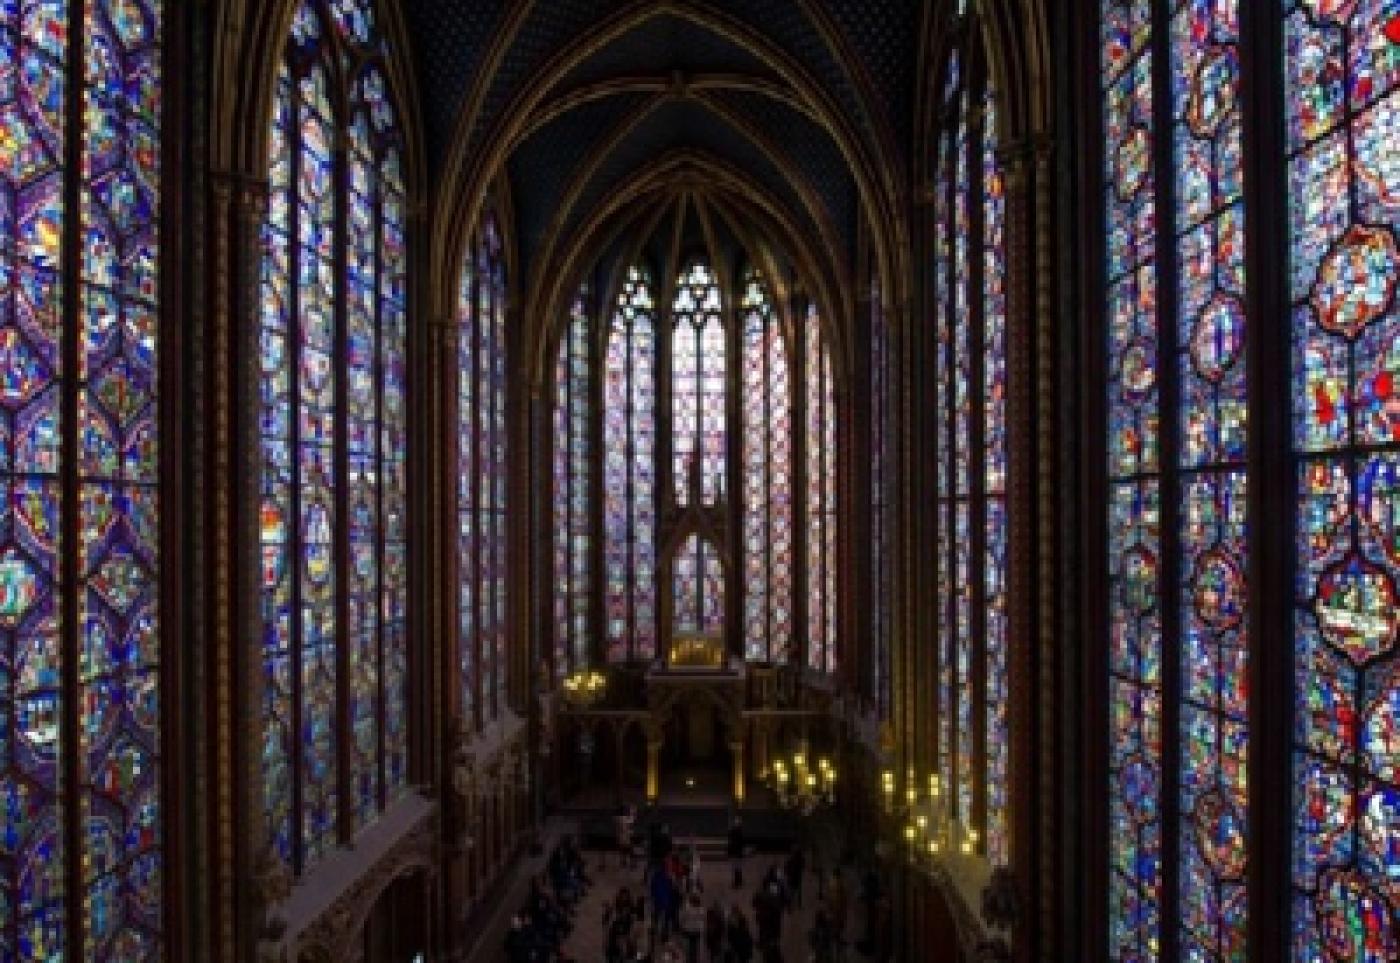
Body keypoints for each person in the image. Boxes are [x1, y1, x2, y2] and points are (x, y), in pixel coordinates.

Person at [680, 891, 707, 963]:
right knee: (695, 946)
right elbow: (703, 918)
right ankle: (694, 958)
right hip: (697, 930)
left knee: (689, 946)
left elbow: (682, 917)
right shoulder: (701, 910)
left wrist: (682, 925)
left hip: (688, 929)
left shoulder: (687, 908)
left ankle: (690, 958)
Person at [727, 817, 746, 889]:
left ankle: (737, 882)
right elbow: (742, 843)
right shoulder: (739, 832)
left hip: (734, 853)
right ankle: (738, 882)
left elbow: (730, 842)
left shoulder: (732, 832)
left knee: (735, 868)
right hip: (737, 853)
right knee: (738, 867)